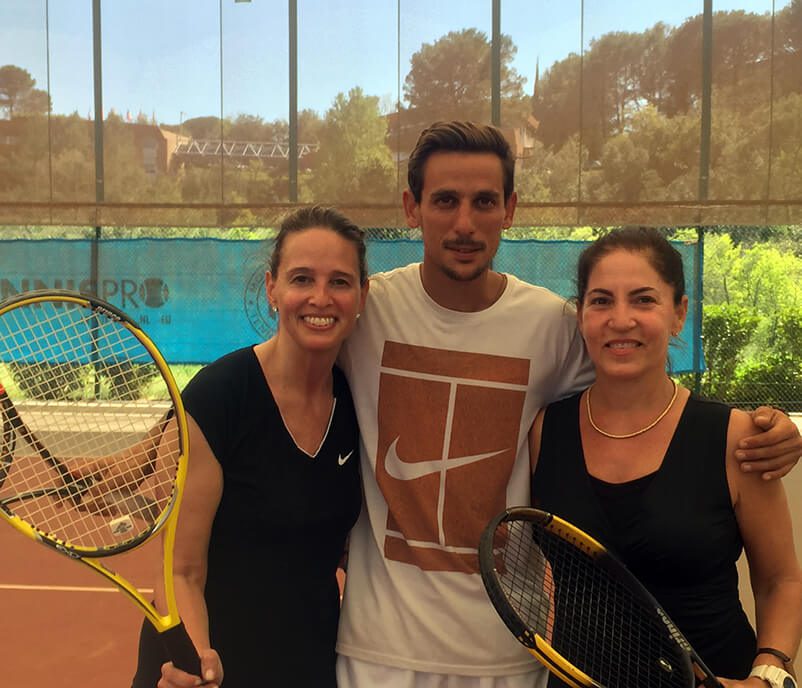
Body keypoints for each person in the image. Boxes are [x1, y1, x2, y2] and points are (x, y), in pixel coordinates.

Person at [162, 121, 801, 687]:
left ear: (510, 209)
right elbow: (273, 366)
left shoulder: (551, 325)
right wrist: (149, 444)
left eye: (483, 202)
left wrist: (758, 424)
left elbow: (633, 366)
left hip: (514, 653)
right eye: (444, 201)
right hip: (375, 653)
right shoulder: (362, 306)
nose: (464, 223)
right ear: (411, 208)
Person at [530, 227, 802, 687]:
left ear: (679, 314)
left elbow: (781, 581)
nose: (620, 319)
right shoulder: (543, 429)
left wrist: (768, 674)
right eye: (601, 301)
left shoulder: (735, 437)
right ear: (580, 316)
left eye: (643, 300)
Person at [138, 205, 367, 687]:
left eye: (340, 282)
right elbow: (181, 571)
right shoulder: (219, 396)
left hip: (308, 662)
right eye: (301, 278)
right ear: (272, 290)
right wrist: (196, 660)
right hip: (206, 657)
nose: (320, 298)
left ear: (362, 295)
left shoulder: (357, 404)